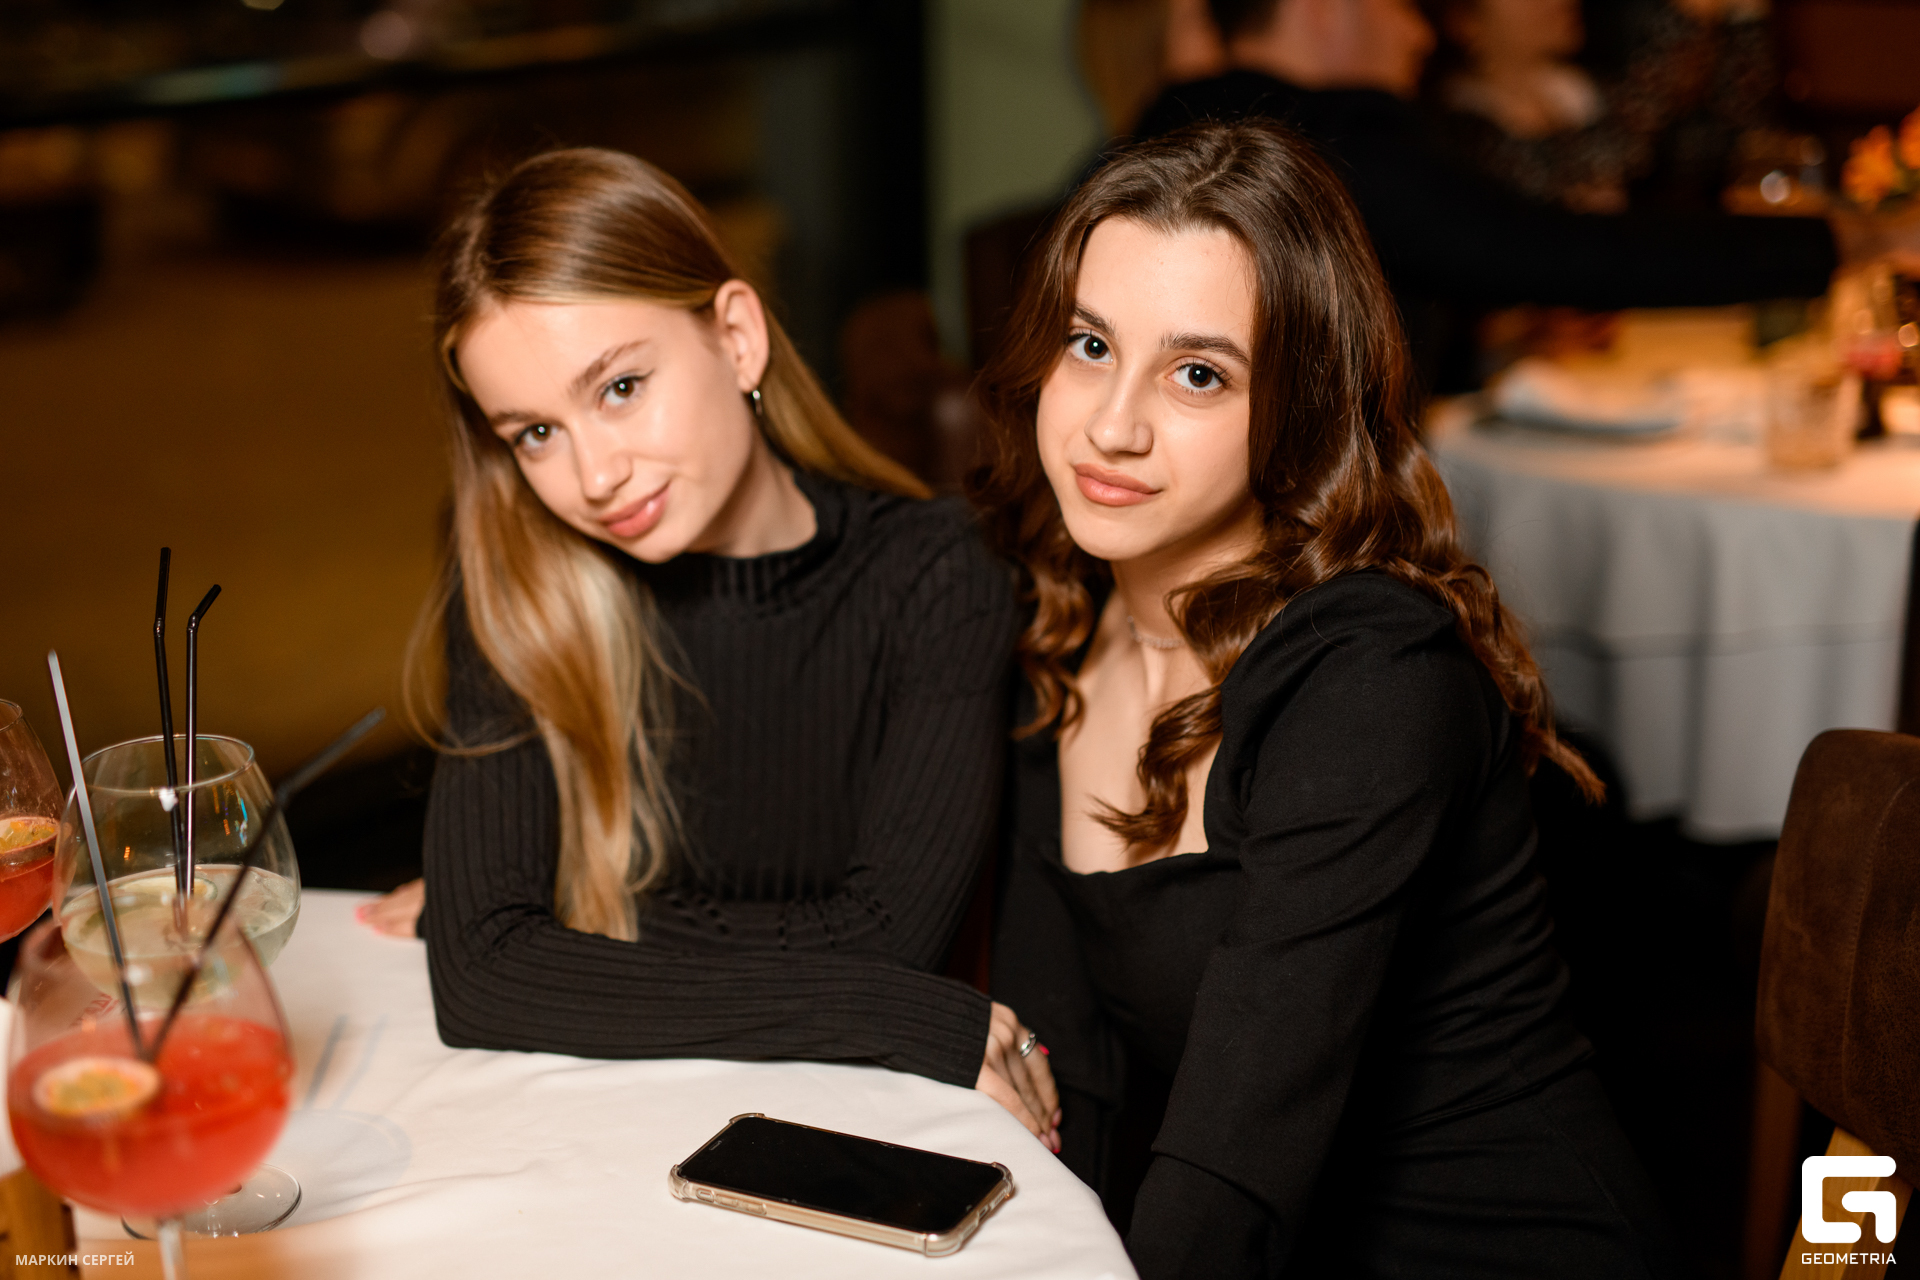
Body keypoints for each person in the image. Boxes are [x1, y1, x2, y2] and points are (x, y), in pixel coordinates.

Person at [977, 120, 1679, 1276]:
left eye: (1197, 374)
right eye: (1090, 345)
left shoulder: (1371, 676)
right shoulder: (1057, 631)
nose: (1112, 424)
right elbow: (1070, 1086)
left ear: (1299, 406)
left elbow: (1229, 1164)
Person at [372, 147, 1058, 1146]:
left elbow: (891, 944)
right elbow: (484, 978)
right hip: (605, 1134)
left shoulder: (936, 575)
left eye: (619, 387)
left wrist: (564, 914)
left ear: (736, 338)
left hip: (840, 1137)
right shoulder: (521, 579)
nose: (593, 476)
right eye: (533, 434)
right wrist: (884, 1006)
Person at [1133, 0, 1913, 391]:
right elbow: (1567, 253)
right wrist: (1855, 241)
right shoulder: (1319, 149)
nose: (1420, 34)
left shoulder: (1172, 129)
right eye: (1398, 3)